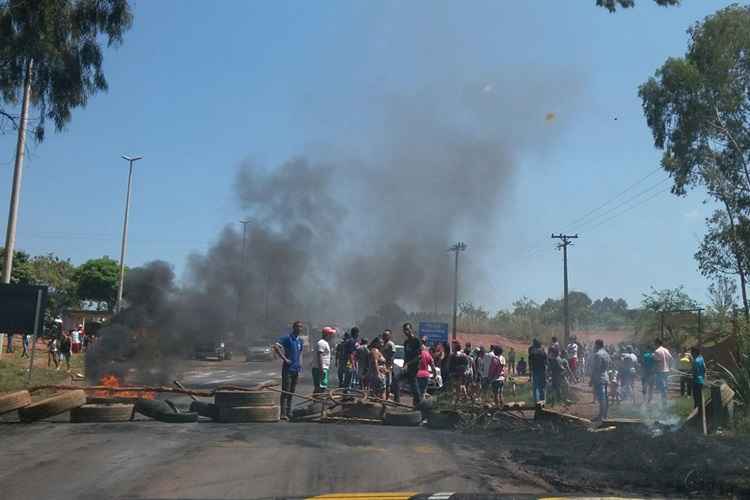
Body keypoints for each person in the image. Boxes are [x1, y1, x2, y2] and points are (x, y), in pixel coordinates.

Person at [273, 320, 305, 420]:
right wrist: (285, 359)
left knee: (292, 391)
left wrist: (300, 366)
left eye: (301, 327)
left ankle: (289, 411)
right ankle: (283, 413)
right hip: (288, 369)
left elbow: (300, 354)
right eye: (298, 327)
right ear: (294, 328)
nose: (299, 329)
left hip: (296, 369)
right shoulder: (287, 338)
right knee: (286, 391)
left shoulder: (300, 340)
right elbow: (276, 346)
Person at [401, 322, 422, 406]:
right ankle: (397, 401)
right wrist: (404, 364)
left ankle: (419, 403)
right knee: (396, 380)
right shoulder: (406, 342)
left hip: (414, 366)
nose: (406, 332)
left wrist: (408, 364)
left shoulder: (416, 341)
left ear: (411, 330)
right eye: (404, 330)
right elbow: (406, 355)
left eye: (407, 329)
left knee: (413, 383)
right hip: (407, 366)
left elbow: (419, 356)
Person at [590, 339, 611, 421]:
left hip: (599, 378)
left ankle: (601, 416)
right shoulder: (606, 353)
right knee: (605, 397)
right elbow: (609, 364)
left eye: (595, 345)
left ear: (597, 345)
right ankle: (604, 415)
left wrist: (592, 379)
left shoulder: (598, 354)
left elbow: (596, 368)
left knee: (601, 398)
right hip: (605, 377)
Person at [312, 327, 335, 394]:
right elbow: (319, 355)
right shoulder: (322, 343)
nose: (332, 336)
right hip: (320, 368)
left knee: (321, 387)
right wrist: (321, 368)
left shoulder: (325, 343)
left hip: (322, 368)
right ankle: (317, 401)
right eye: (331, 334)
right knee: (321, 387)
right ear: (327, 334)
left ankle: (317, 401)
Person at [652, 338, 673, 405]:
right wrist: (669, 367)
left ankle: (664, 401)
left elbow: (656, 361)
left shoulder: (657, 351)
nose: (654, 344)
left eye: (655, 343)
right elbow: (671, 358)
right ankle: (664, 400)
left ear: (657, 343)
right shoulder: (666, 350)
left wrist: (654, 369)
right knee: (665, 386)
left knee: (662, 386)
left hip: (660, 371)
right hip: (666, 370)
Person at [528, 339, 547, 403]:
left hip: (535, 371)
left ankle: (536, 401)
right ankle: (542, 401)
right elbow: (546, 361)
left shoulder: (532, 352)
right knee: (541, 387)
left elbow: (530, 362)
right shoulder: (543, 351)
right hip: (542, 371)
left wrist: (530, 372)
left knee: (535, 387)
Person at [381, 329, 396, 400]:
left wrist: (390, 366)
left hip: (388, 366)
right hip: (382, 366)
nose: (384, 337)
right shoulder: (382, 344)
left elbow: (392, 356)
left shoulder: (391, 344)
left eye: (385, 335)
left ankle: (387, 398)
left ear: (389, 336)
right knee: (382, 383)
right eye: (383, 335)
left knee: (388, 383)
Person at [690, 346, 705, 410]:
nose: (691, 354)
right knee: (700, 397)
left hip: (696, 381)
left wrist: (690, 376)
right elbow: (704, 368)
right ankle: (701, 410)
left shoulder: (695, 362)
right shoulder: (701, 358)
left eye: (692, 352)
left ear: (695, 352)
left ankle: (697, 412)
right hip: (701, 380)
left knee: (696, 398)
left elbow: (694, 373)